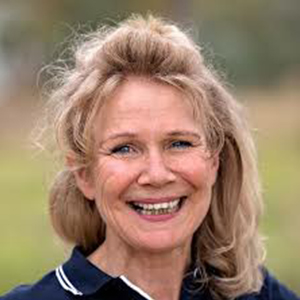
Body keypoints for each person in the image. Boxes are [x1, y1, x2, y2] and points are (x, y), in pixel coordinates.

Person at [1, 14, 299, 300]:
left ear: (214, 161)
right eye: (124, 148)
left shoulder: (260, 294)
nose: (156, 175)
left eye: (179, 143)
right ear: (84, 174)